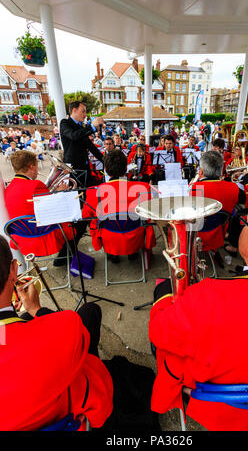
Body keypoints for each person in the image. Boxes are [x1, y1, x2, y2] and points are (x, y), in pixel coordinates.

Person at [149, 197, 248, 431]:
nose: (240, 227)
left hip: (214, 407)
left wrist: (167, 299)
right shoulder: (208, 297)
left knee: (163, 301)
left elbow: (158, 332)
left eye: (245, 224)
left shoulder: (207, 297)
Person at [0, 235, 113, 431]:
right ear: (14, 269)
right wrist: (37, 310)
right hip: (69, 412)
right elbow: (72, 331)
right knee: (89, 312)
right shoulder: (64, 328)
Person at [82, 149, 155, 263]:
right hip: (136, 236)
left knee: (96, 220)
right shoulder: (144, 187)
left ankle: (112, 254)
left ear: (105, 170)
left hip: (109, 238)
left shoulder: (93, 192)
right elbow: (150, 212)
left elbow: (86, 215)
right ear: (126, 168)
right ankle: (132, 252)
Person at [4, 150, 74, 264]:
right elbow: (53, 210)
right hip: (42, 236)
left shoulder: (9, 188)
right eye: (36, 166)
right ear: (32, 167)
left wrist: (53, 192)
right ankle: (66, 259)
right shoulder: (36, 185)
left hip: (21, 237)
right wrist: (60, 194)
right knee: (75, 223)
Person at [189, 151, 245, 259]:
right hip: (218, 231)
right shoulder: (233, 188)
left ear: (201, 171)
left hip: (196, 234)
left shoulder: (192, 188)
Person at [60, 101, 105, 187]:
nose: (85, 115)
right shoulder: (65, 123)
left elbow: (91, 146)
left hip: (85, 168)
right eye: (83, 111)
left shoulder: (81, 128)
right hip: (74, 170)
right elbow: (74, 136)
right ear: (74, 110)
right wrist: (92, 126)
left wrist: (105, 160)